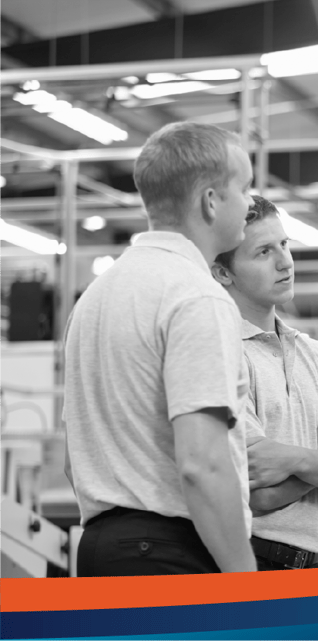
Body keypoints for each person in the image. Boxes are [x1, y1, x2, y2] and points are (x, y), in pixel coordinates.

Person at [63, 121, 257, 575]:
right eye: (245, 188)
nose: (250, 204)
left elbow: (76, 461)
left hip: (100, 551)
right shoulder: (196, 295)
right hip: (170, 555)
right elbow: (202, 464)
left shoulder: (96, 296)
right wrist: (248, 583)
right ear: (211, 200)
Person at [212, 195, 318, 571]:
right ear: (223, 272)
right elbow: (257, 495)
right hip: (249, 561)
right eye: (263, 252)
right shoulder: (221, 353)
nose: (285, 262)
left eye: (284, 244)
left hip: (313, 564)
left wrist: (293, 459)